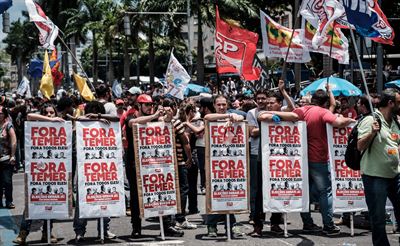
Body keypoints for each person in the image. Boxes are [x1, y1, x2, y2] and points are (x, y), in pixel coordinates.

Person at [292, 89, 355, 235]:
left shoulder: (301, 110)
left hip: (300, 158)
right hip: (319, 157)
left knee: (305, 192)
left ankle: (307, 223)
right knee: (325, 192)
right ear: (325, 103)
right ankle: (328, 225)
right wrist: (350, 121)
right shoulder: (322, 112)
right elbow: (339, 122)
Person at [13, 103, 63, 245]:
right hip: (38, 171)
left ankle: (47, 232)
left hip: (53, 170)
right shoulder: (35, 123)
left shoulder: (60, 125)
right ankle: (23, 233)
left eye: (52, 113)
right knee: (33, 202)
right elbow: (29, 115)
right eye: (46, 113)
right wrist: (51, 120)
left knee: (51, 202)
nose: (49, 115)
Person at [358, 88, 400, 245]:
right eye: (398, 102)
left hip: (395, 174)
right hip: (375, 176)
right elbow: (360, 145)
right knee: (378, 217)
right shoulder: (371, 120)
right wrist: (372, 133)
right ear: (390, 103)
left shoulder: (395, 121)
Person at [73, 101, 118, 242]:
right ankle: (80, 232)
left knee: (105, 199)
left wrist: (99, 118)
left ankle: (104, 230)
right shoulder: (80, 125)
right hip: (86, 171)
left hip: (103, 171)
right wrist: (90, 120)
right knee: (82, 202)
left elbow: (117, 119)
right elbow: (75, 120)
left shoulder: (106, 123)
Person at [203, 94, 245, 238]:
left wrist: (233, 117)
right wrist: (228, 118)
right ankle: (212, 226)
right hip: (214, 162)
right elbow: (207, 118)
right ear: (214, 106)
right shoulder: (211, 117)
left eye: (224, 105)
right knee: (214, 194)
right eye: (219, 105)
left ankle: (231, 226)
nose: (221, 107)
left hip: (231, 162)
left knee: (229, 193)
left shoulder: (233, 115)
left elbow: (241, 119)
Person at [0, 105, 17, 209]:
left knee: (7, 181)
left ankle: (9, 201)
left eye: (1, 113)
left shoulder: (8, 125)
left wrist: (13, 155)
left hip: (6, 158)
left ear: (4, 114)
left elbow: (14, 140)